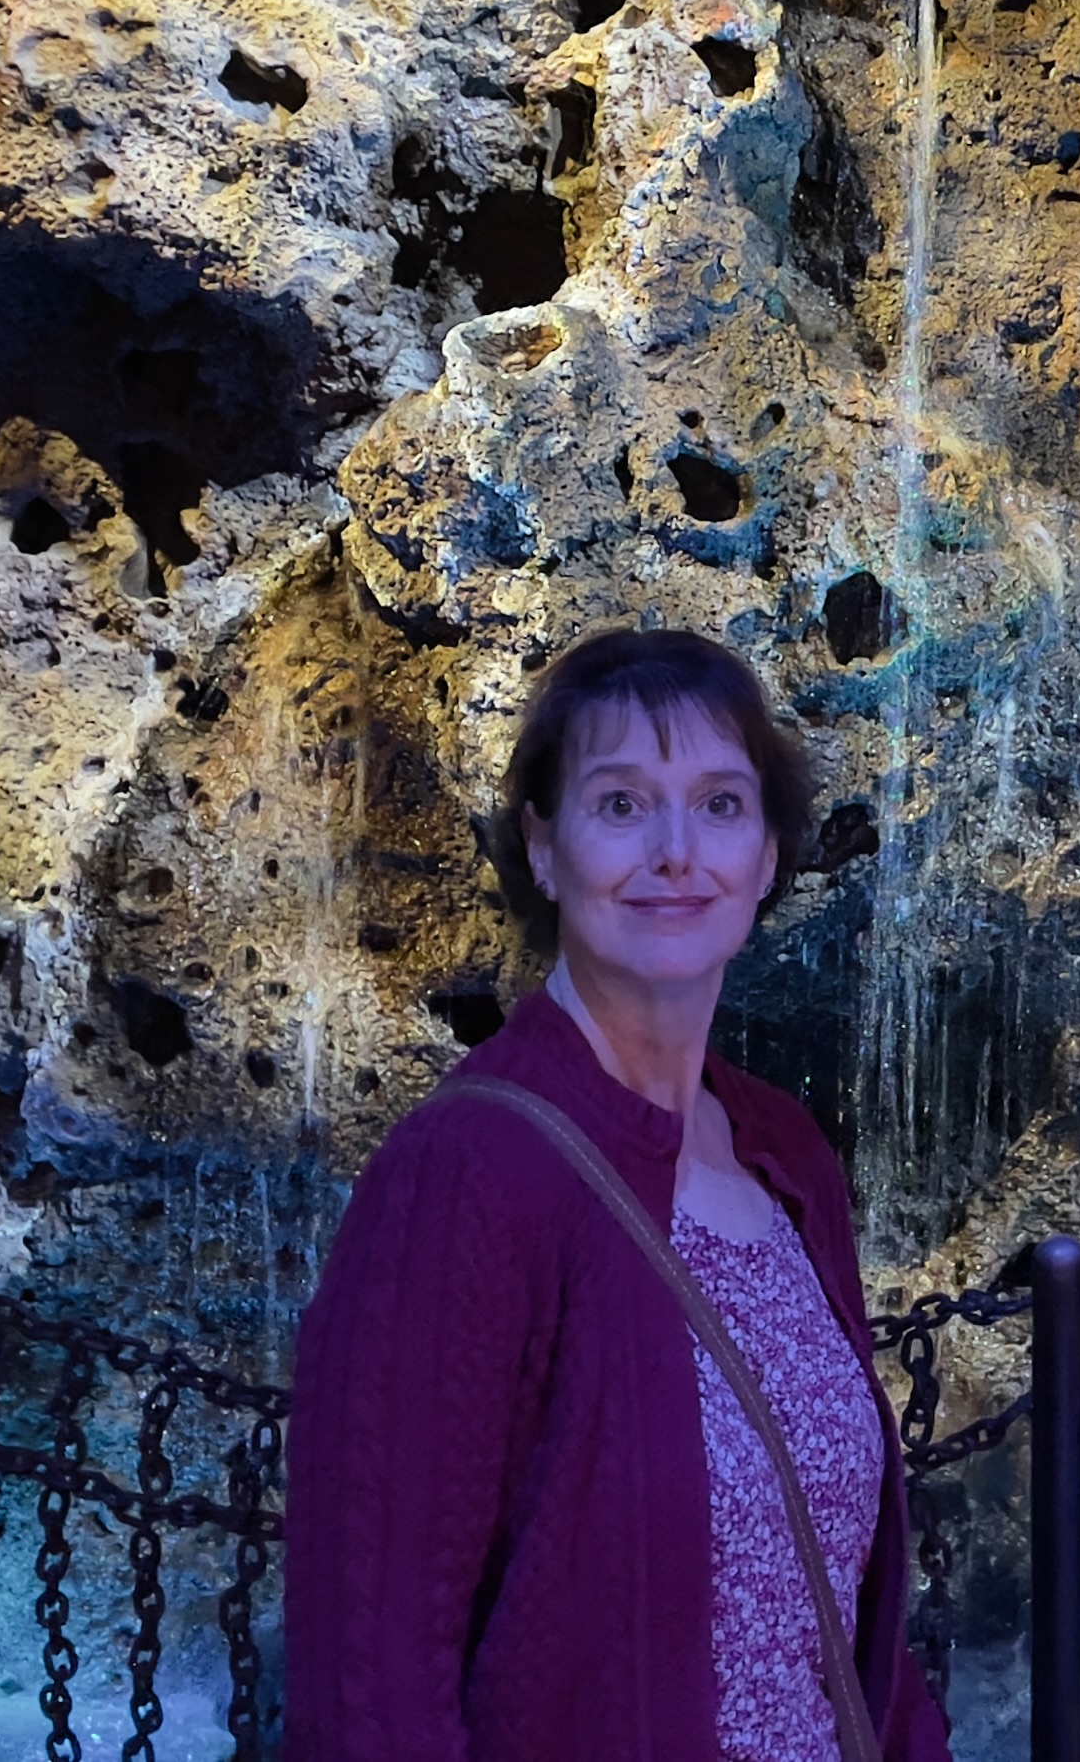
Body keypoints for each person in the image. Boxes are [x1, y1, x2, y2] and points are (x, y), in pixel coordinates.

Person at [284, 628, 949, 1762]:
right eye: (623, 804)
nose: (677, 852)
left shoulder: (783, 1153)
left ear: (770, 855)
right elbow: (373, 1682)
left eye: (721, 806)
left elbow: (849, 1618)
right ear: (543, 846)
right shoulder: (465, 1177)